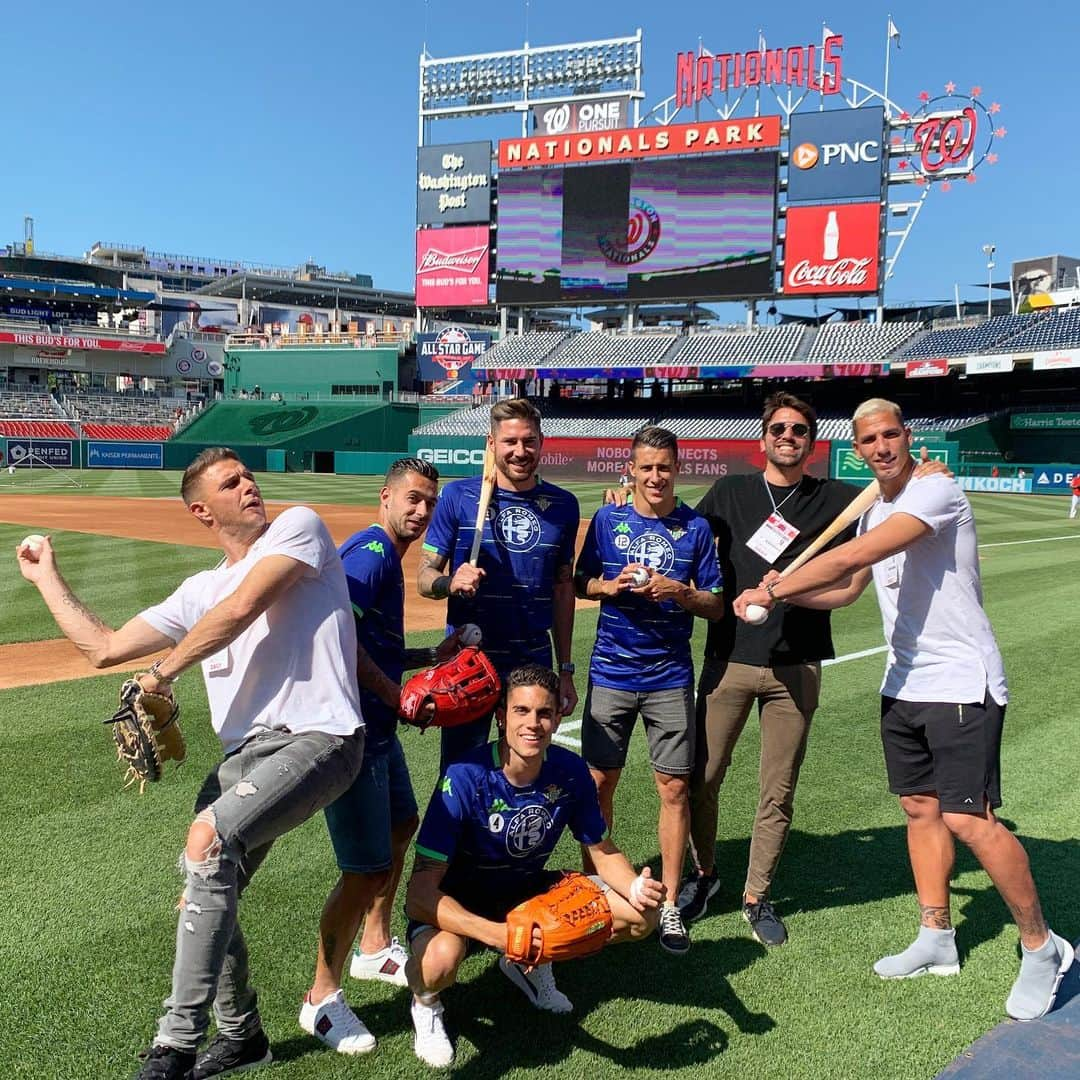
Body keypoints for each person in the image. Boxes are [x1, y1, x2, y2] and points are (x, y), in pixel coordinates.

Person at [15, 447, 365, 1079]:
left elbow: (241, 610)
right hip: (246, 755)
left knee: (207, 842)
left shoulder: (299, 528)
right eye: (232, 483)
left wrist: (160, 674)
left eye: (248, 476)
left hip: (322, 737)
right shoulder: (198, 588)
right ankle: (242, 1034)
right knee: (202, 897)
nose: (249, 486)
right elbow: (103, 649)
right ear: (204, 510)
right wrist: (46, 580)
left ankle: (175, 1044)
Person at [733, 398, 1074, 1021]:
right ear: (856, 448)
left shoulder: (934, 493)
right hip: (905, 680)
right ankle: (937, 935)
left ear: (907, 437)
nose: (882, 446)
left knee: (969, 819)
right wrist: (776, 600)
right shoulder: (876, 505)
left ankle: (1042, 946)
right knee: (920, 809)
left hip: (961, 682)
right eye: (869, 439)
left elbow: (850, 559)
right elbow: (848, 589)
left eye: (892, 434)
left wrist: (776, 585)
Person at [678, 393, 869, 947]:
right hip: (729, 658)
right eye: (780, 427)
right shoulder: (731, 492)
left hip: (796, 665)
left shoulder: (836, 499)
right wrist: (627, 504)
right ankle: (705, 875)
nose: (789, 436)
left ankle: (756, 895)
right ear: (763, 437)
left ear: (812, 441)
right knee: (703, 779)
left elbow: (850, 585)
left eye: (801, 430)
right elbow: (680, 536)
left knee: (777, 790)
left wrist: (783, 593)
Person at [403, 665, 665, 1067]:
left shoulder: (570, 770)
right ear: (501, 717)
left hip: (525, 892)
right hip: (458, 902)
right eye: (521, 711)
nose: (533, 724)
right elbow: (420, 895)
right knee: (438, 965)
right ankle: (426, 1005)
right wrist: (499, 935)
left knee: (640, 918)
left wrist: (634, 887)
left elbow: (601, 849)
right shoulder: (464, 777)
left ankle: (528, 964)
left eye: (544, 713)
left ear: (557, 719)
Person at [300, 457, 456, 1055]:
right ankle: (321, 999)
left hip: (380, 726)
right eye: (411, 499)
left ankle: (373, 944)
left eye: (429, 504)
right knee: (362, 867)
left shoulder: (387, 557)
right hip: (356, 730)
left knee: (401, 825)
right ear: (385, 497)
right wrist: (398, 696)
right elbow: (339, 640)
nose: (420, 512)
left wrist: (428, 660)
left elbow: (379, 647)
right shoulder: (369, 555)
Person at [576, 426, 723, 955]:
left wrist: (681, 591)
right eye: (646, 467)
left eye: (664, 467)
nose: (655, 476)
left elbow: (716, 604)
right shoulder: (609, 518)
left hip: (668, 677)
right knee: (597, 782)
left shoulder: (696, 528)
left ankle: (670, 907)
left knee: (674, 789)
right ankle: (595, 890)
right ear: (631, 470)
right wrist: (608, 587)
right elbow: (579, 581)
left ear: (676, 468)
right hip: (611, 671)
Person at [418, 398, 580, 768]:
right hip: (470, 661)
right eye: (510, 442)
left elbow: (562, 589)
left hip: (532, 660)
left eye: (529, 441)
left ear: (541, 443)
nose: (520, 451)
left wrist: (566, 669)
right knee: (460, 771)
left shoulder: (563, 505)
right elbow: (424, 579)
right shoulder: (458, 497)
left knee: (526, 767)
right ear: (492, 444)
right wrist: (449, 582)